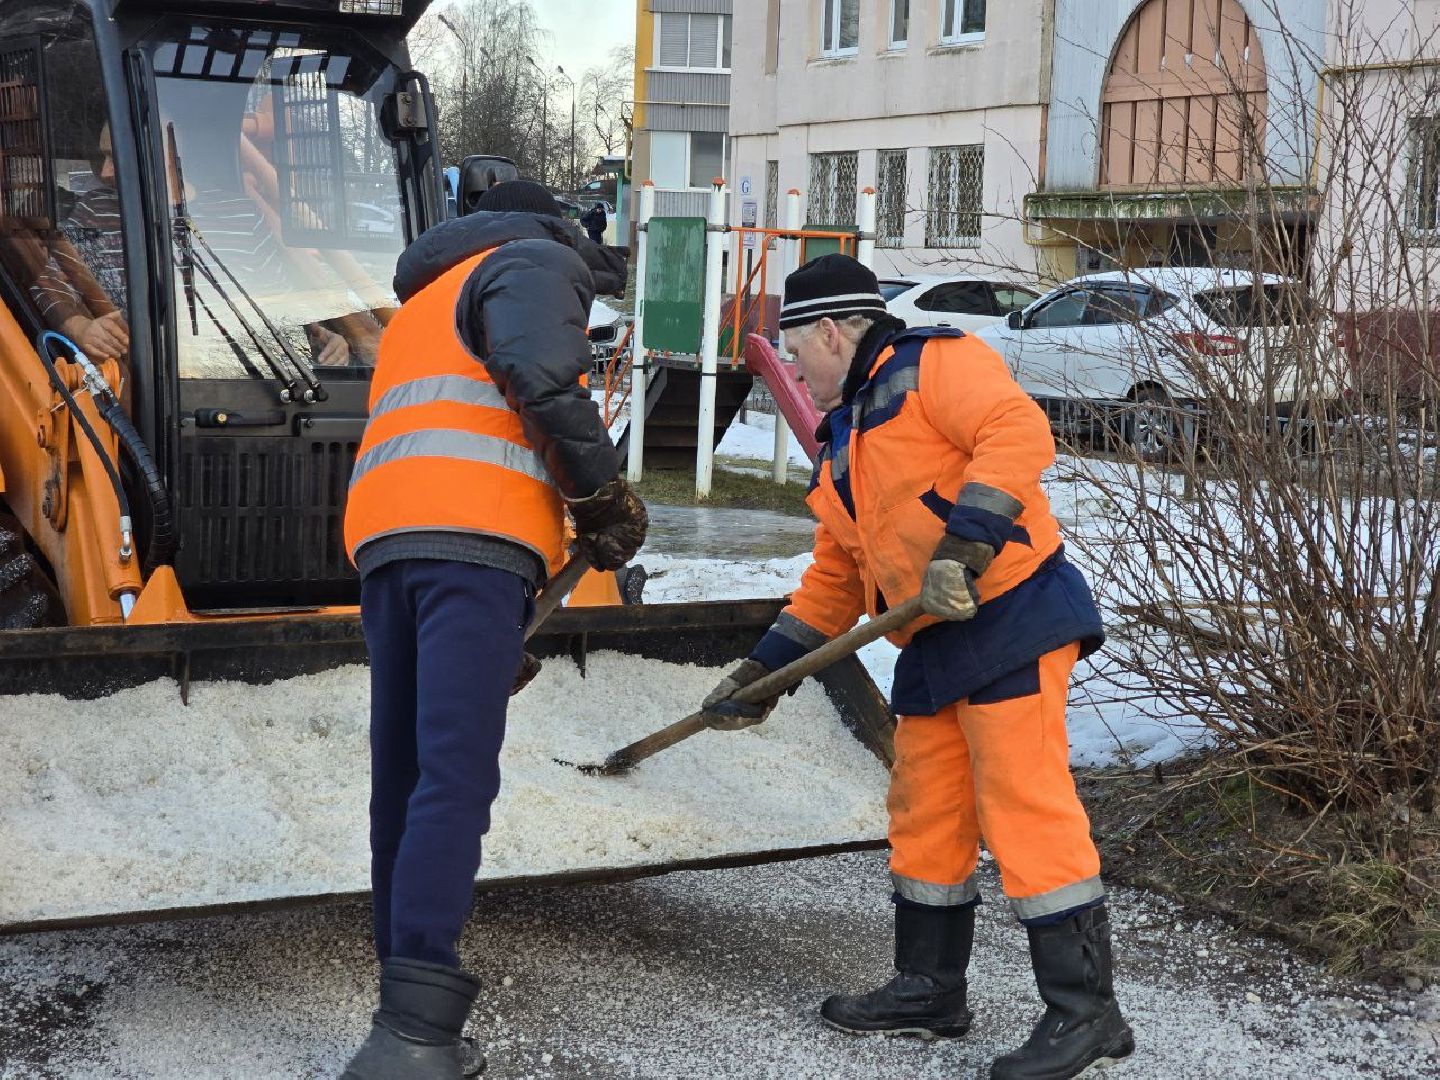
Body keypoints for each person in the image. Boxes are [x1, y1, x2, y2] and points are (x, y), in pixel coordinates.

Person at [699, 255, 1133, 1080]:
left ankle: (1088, 1013)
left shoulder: (939, 362)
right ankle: (930, 989)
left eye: (795, 352)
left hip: (1012, 613)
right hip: (932, 641)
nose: (791, 370)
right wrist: (764, 673)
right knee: (926, 813)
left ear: (832, 332)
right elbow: (834, 579)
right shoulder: (840, 445)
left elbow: (1016, 433)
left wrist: (965, 549)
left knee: (1024, 806)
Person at [340, 179, 648, 1079]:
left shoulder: (425, 299)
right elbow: (541, 378)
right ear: (562, 227)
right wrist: (598, 494)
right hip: (473, 545)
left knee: (403, 772)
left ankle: (401, 1006)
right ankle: (414, 1033)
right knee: (456, 774)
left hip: (390, 544)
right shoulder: (534, 259)